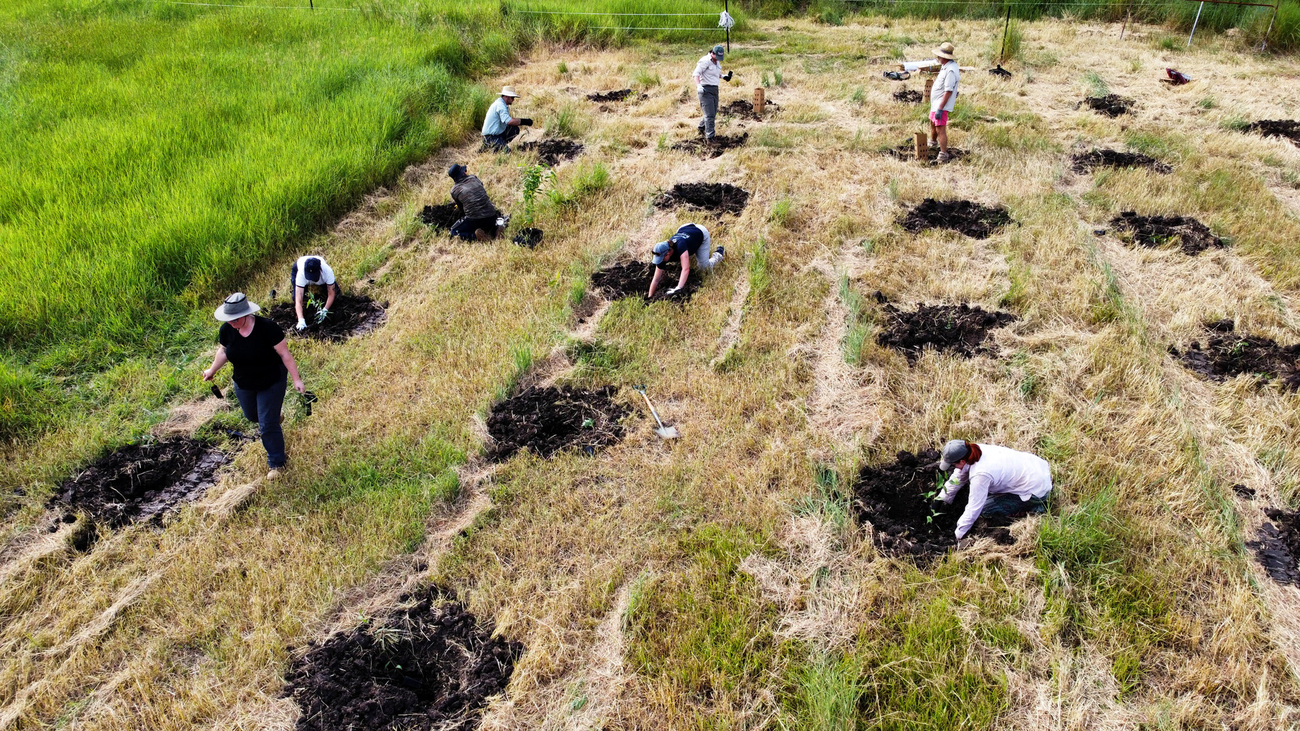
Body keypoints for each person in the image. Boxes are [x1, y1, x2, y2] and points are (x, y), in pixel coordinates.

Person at [202, 293, 305, 480]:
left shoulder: (267, 328)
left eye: (235, 319)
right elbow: (224, 351)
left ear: (246, 314)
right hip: (244, 382)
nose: (232, 323)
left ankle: (276, 463)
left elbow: (285, 355)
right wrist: (212, 370)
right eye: (229, 319)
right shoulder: (227, 330)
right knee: (252, 416)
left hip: (271, 380)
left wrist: (297, 379)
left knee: (267, 425)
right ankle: (273, 417)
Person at [935, 439, 1052, 544]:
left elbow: (974, 507)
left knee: (985, 509)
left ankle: (1035, 506)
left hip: (1037, 489)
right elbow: (959, 476)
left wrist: (958, 534)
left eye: (953, 464)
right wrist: (941, 498)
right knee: (988, 491)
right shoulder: (974, 450)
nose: (953, 467)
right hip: (1037, 467)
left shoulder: (981, 475)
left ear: (961, 461)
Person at [647, 223, 725, 298]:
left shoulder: (681, 245)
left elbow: (686, 269)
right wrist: (650, 297)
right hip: (684, 228)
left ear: (668, 253)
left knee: (703, 267)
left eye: (662, 258)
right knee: (683, 258)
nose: (661, 260)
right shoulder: (664, 253)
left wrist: (678, 288)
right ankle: (688, 251)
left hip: (700, 233)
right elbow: (656, 279)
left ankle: (719, 253)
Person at [447, 164, 503, 242]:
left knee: (453, 232)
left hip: (475, 221)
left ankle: (475, 236)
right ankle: (497, 229)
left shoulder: (454, 190)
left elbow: (462, 209)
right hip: (492, 215)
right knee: (491, 222)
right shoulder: (474, 178)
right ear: (463, 172)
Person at [928, 42, 960, 164]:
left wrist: (940, 108)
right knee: (933, 123)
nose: (938, 58)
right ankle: (932, 142)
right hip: (936, 103)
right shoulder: (946, 66)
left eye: (939, 56)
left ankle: (943, 153)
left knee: (940, 128)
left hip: (941, 104)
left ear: (945, 57)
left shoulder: (951, 70)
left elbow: (948, 90)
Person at [692, 45, 733, 141]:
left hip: (714, 89)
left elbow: (714, 74)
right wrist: (698, 86)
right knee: (710, 115)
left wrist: (723, 76)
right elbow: (696, 74)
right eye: (716, 57)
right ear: (712, 53)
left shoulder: (716, 62)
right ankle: (710, 138)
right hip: (705, 90)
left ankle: (702, 127)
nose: (717, 60)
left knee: (712, 112)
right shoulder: (705, 61)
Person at [290, 255, 338, 332]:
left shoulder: (327, 272)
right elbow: (298, 299)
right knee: (296, 298)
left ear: (320, 270)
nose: (312, 279)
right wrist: (301, 320)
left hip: (322, 275)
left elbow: (331, 294)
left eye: (314, 276)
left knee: (337, 295)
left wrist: (325, 310)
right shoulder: (301, 273)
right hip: (297, 267)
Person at [481, 86, 532, 151]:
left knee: (514, 129)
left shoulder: (500, 103)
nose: (513, 100)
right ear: (506, 96)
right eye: (512, 97)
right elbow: (509, 121)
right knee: (507, 152)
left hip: (496, 134)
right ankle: (492, 146)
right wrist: (525, 121)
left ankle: (498, 144)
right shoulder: (500, 105)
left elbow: (508, 121)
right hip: (491, 136)